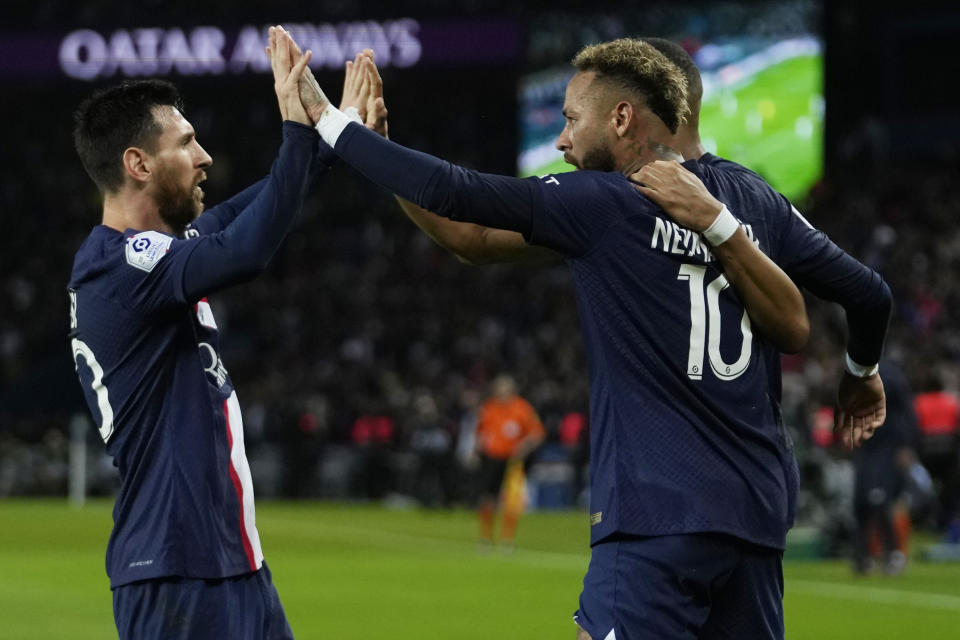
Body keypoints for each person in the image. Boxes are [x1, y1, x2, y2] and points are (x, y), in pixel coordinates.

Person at [282, 29, 892, 639]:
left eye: (572, 117)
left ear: (623, 117)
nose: (561, 137)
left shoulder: (605, 202)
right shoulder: (760, 202)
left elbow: (458, 197)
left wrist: (341, 130)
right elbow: (869, 294)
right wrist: (861, 375)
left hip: (656, 512)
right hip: (756, 522)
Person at [68, 26, 364, 639]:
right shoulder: (118, 263)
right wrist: (297, 128)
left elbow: (243, 215)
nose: (205, 157)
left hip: (232, 562)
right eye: (188, 142)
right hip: (175, 569)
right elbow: (247, 247)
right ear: (138, 163)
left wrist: (343, 139)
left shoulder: (155, 256)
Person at [474, 374, 546, 550]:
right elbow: (481, 431)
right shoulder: (489, 408)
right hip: (491, 459)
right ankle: (486, 538)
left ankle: (507, 539)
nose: (502, 392)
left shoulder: (522, 408)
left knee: (511, 500)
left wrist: (524, 446)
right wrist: (477, 449)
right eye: (499, 388)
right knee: (487, 498)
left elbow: (537, 434)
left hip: (513, 461)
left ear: (512, 390)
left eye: (505, 388)